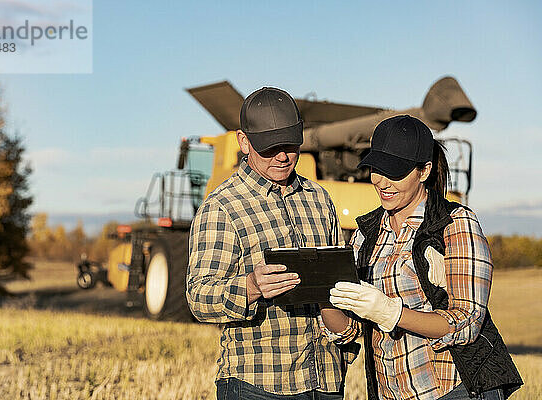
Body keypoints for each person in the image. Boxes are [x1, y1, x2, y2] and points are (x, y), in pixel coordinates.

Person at [322, 115, 522, 400]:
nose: (381, 181)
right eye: (376, 169)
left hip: (455, 389)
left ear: (424, 170)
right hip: (392, 393)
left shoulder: (455, 224)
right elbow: (350, 330)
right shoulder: (365, 235)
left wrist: (392, 314)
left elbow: (467, 321)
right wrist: (320, 294)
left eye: (395, 172)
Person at [186, 87, 360, 399]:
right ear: (243, 141)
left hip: (326, 380)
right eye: (269, 147)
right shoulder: (222, 207)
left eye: (290, 145)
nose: (282, 156)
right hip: (259, 384)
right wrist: (250, 286)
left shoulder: (320, 199)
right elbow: (198, 297)